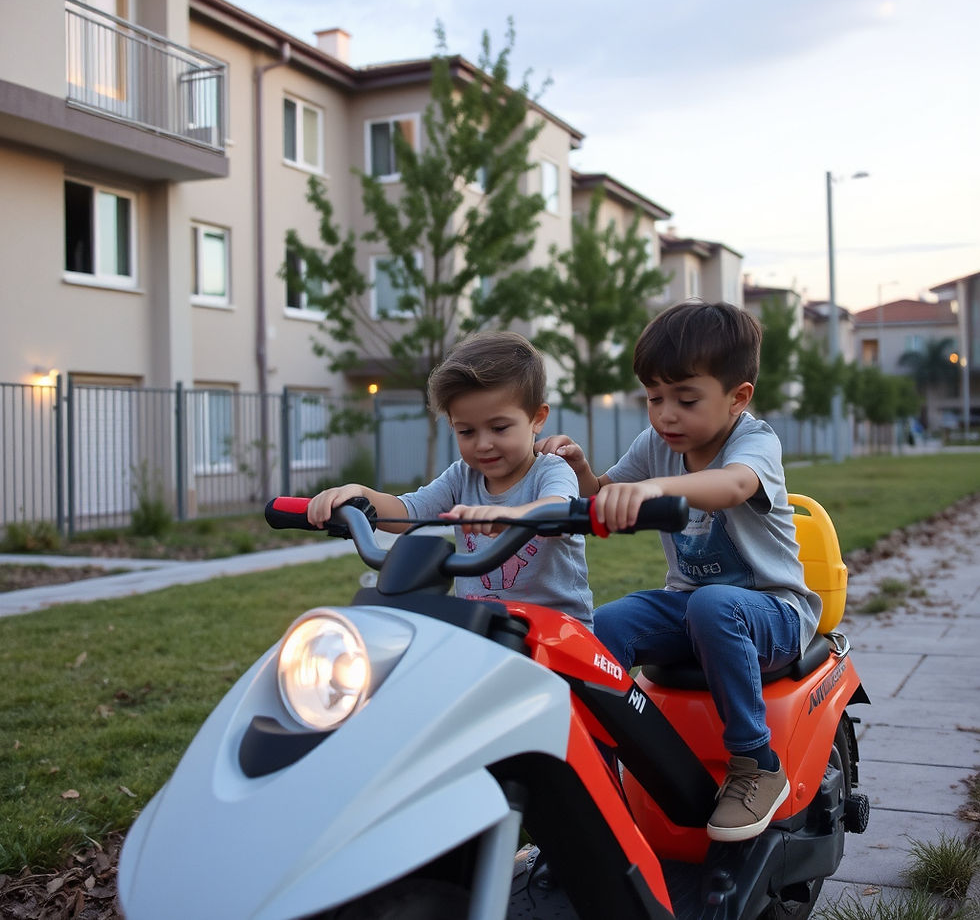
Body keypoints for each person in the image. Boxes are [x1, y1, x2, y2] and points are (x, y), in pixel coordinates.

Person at [537, 300, 821, 842]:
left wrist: (655, 489)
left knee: (713, 605)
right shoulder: (656, 445)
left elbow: (734, 485)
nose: (666, 414)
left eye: (686, 399)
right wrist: (577, 471)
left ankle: (757, 763)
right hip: (692, 608)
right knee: (608, 626)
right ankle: (594, 772)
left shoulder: (753, 441)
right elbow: (605, 494)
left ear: (738, 397)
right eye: (653, 398)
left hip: (775, 614)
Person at [307, 330, 593, 628]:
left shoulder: (551, 471)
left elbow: (559, 507)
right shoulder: (462, 477)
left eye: (499, 428)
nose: (483, 444)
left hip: (559, 633)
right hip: (481, 627)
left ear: (537, 418)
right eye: (466, 431)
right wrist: (359, 495)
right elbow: (409, 511)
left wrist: (509, 516)